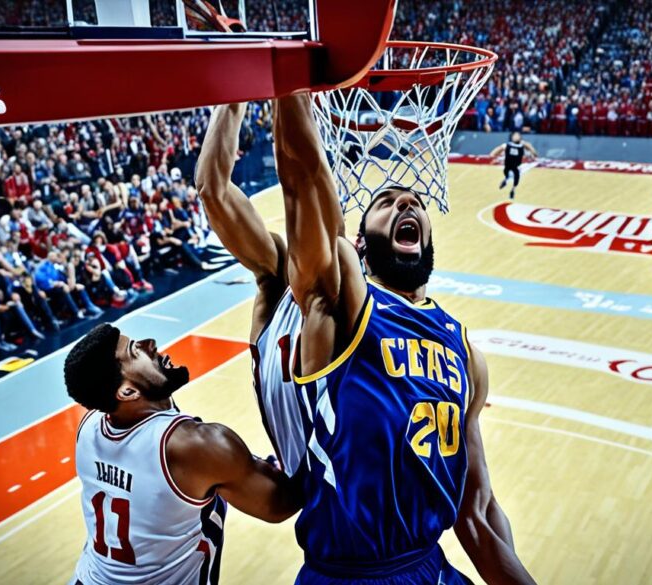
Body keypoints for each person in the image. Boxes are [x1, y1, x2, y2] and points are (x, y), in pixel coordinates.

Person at [274, 94, 533, 584]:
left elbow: (477, 511)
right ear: (362, 245)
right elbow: (303, 182)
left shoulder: (464, 351)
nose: (405, 202)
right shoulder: (342, 304)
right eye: (385, 203)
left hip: (428, 567)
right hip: (349, 575)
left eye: (412, 201)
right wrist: (288, 85)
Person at [63, 323, 301, 584]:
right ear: (128, 392)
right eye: (135, 351)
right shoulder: (192, 446)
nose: (149, 342)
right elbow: (281, 504)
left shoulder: (90, 425)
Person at [195, 102, 308, 482]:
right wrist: (234, 94)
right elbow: (213, 190)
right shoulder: (280, 280)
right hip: (319, 488)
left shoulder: (370, 295)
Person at [490, 131, 538, 200]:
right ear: (511, 137)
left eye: (518, 135)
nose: (517, 136)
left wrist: (531, 151)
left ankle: (510, 186)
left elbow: (534, 153)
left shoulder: (524, 145)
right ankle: (507, 182)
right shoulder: (507, 145)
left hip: (521, 166)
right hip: (510, 165)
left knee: (518, 174)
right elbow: (493, 153)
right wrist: (492, 157)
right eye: (515, 135)